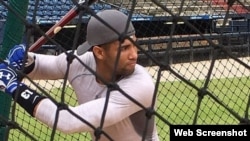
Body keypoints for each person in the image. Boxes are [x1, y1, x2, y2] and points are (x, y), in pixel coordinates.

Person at [0, 9, 159, 141]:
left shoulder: (140, 85)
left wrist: (14, 87)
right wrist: (25, 58)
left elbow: (68, 121)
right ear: (99, 52)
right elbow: (41, 65)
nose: (134, 55)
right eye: (124, 48)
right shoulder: (78, 62)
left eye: (134, 45)